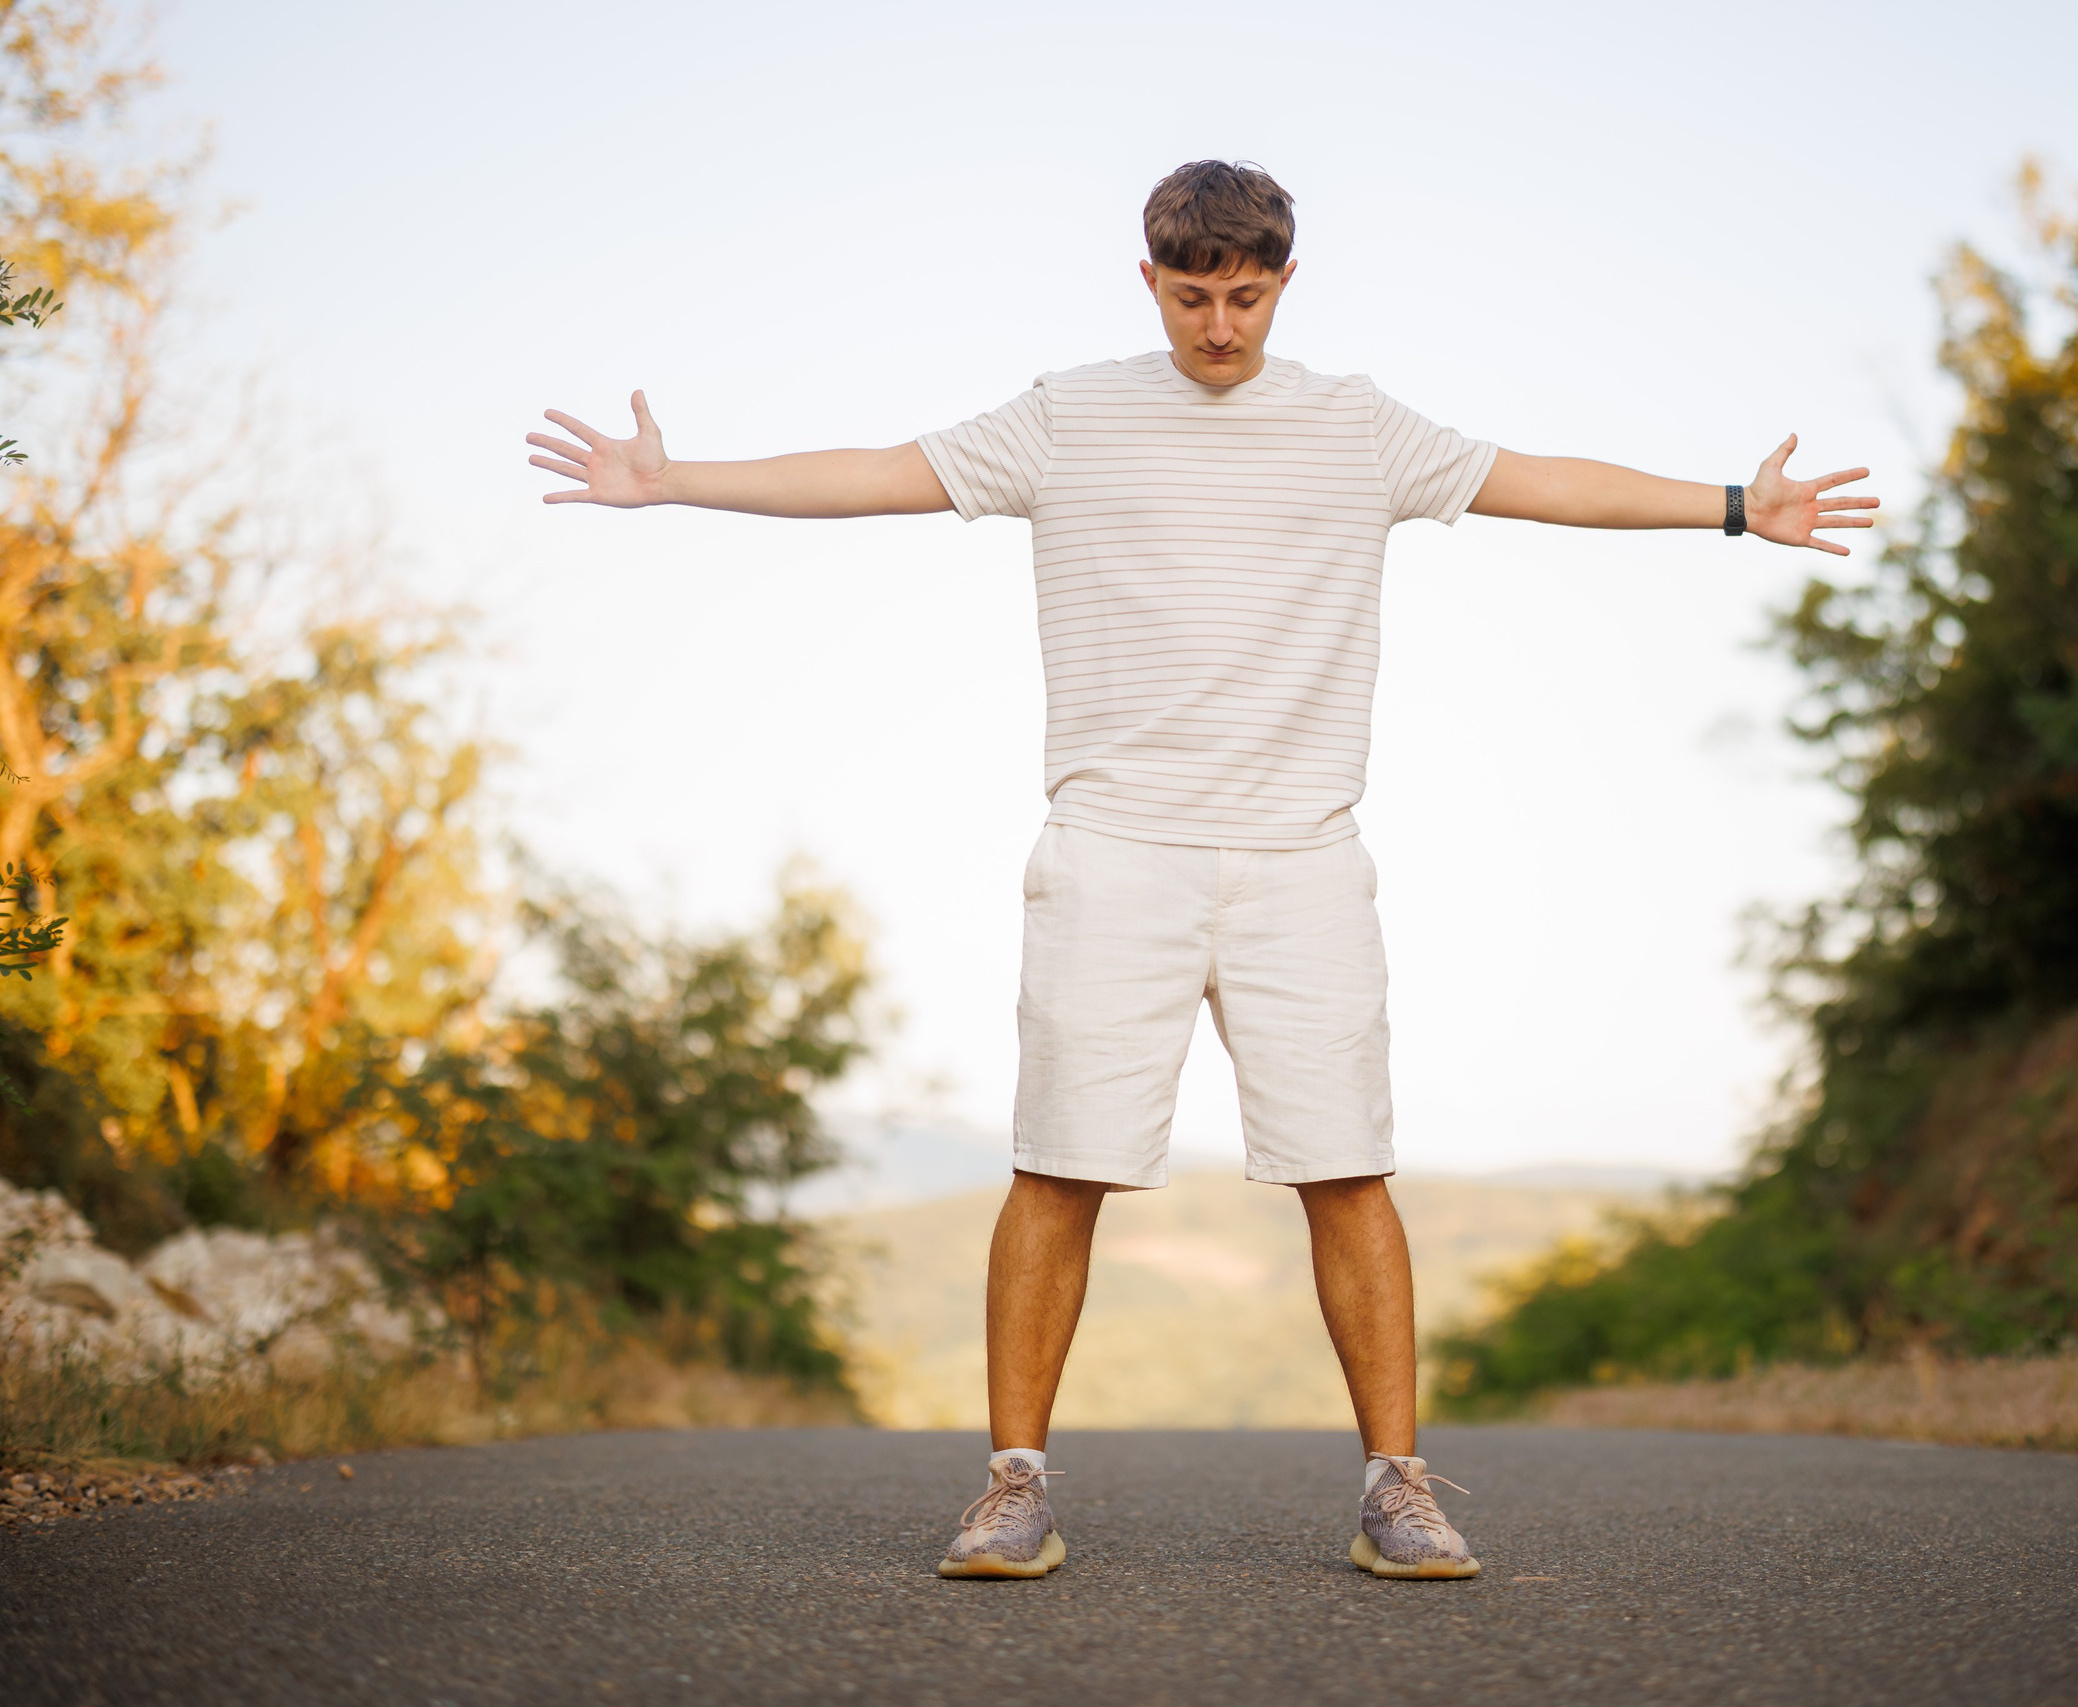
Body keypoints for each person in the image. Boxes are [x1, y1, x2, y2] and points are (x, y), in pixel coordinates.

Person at [527, 159, 1875, 1583]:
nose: (1218, 327)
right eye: (1191, 297)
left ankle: (1396, 1489)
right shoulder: (1070, 417)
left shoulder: (1357, 428)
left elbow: (1540, 481)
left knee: (1349, 1171)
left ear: (1286, 282)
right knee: (1059, 1167)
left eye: (1243, 296)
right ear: (1150, 281)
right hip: (1115, 853)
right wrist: (675, 483)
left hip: (1302, 858)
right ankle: (1013, 1487)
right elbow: (878, 474)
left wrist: (1736, 505)